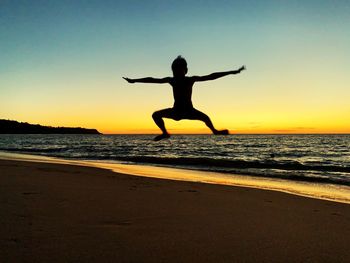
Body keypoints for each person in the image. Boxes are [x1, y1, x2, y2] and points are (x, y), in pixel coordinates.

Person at [123, 56, 246, 141]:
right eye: (174, 71)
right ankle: (165, 133)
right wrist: (134, 81)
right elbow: (152, 79)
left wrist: (232, 72)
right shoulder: (172, 80)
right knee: (155, 115)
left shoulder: (190, 80)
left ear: (185, 70)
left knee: (206, 118)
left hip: (189, 111)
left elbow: (211, 76)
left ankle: (214, 131)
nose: (176, 73)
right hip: (175, 111)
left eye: (179, 70)